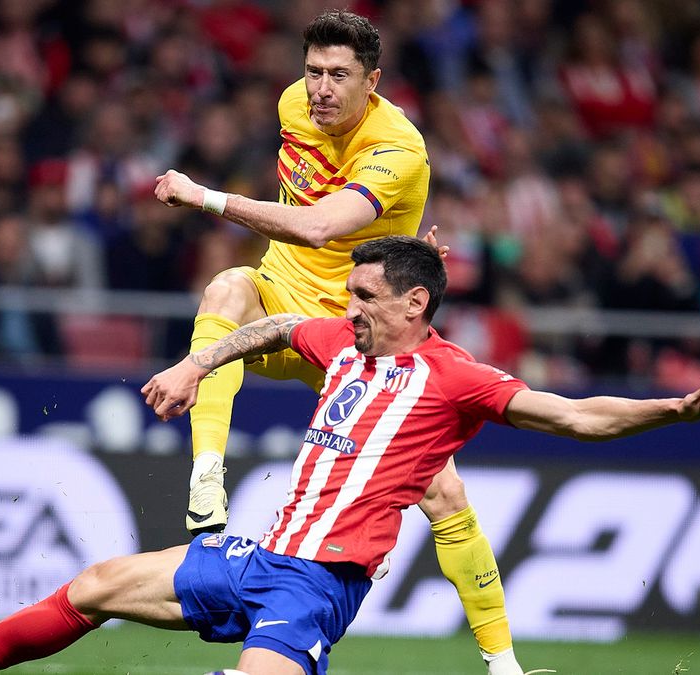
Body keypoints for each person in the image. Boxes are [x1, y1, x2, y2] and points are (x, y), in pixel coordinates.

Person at [0, 236, 700, 675]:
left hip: (317, 584)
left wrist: (673, 410)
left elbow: (575, 417)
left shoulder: (456, 379)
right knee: (97, 581)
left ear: (417, 303)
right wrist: (198, 359)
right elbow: (285, 321)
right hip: (258, 554)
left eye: (367, 295)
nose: (351, 304)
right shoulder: (346, 343)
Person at [153, 11, 520, 670]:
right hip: (280, 309)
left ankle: (503, 662)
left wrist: (204, 196)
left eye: (339, 76)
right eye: (314, 71)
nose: (320, 88)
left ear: (372, 81)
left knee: (445, 495)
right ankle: (207, 486)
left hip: (358, 337)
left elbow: (323, 226)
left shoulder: (399, 149)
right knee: (227, 290)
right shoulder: (293, 104)